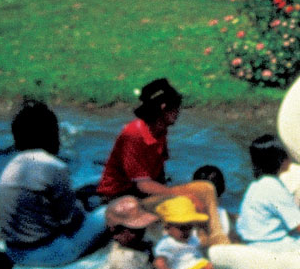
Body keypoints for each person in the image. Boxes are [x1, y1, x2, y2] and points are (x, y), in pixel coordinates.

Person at [97, 78, 227, 242]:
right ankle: (201, 241)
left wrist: (180, 193)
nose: (178, 113)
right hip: (126, 201)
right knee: (185, 200)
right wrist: (183, 195)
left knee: (206, 188)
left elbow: (158, 173)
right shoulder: (133, 134)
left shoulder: (159, 129)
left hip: (145, 195)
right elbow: (143, 185)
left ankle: (216, 239)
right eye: (176, 108)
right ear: (164, 108)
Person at [0, 99, 109, 269]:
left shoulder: (12, 166)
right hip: (50, 254)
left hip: (15, 253)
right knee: (112, 212)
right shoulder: (53, 166)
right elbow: (71, 221)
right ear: (50, 134)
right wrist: (84, 205)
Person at [103, 196, 198, 269]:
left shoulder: (144, 241)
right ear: (116, 232)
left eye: (142, 227)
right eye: (135, 229)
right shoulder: (124, 260)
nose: (141, 231)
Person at [235, 134, 300, 244]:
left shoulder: (256, 185)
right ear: (281, 159)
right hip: (271, 245)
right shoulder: (273, 187)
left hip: (253, 241)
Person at [151, 196, 217, 269]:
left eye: (189, 226)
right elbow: (160, 259)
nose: (187, 231)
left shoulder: (192, 238)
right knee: (211, 266)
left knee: (216, 264)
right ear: (167, 228)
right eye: (182, 228)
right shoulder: (167, 243)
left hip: (199, 267)